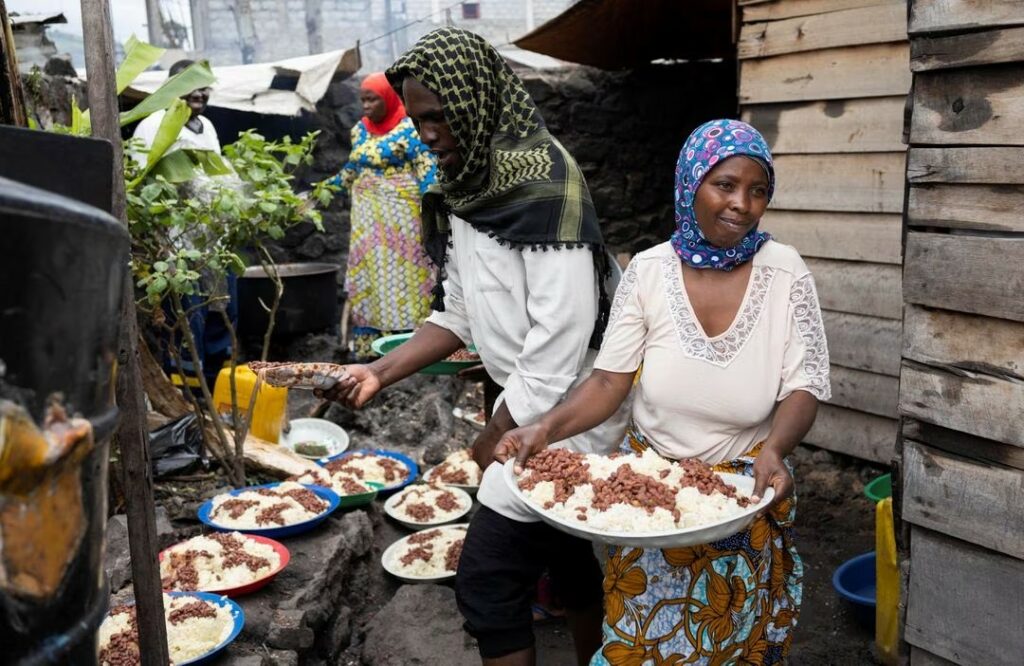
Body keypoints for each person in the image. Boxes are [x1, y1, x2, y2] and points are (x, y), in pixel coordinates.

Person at [320, 28, 628, 666]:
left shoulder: (546, 182)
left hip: (570, 406)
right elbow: (457, 312)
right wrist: (379, 371)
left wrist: (495, 434)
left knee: (487, 581)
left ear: (477, 100)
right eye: (419, 117)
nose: (427, 132)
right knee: (567, 555)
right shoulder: (465, 184)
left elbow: (562, 338)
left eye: (438, 117)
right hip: (527, 403)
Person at [494, 119, 831, 665]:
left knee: (726, 646)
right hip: (648, 500)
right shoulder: (649, 272)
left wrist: (776, 450)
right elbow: (609, 382)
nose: (742, 204)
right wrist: (544, 428)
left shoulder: (785, 272)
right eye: (725, 184)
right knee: (636, 647)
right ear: (690, 182)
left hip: (738, 499)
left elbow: (804, 384)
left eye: (758, 190)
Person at [132, 59, 233, 388]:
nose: (200, 93)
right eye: (192, 85)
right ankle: (189, 402)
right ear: (174, 87)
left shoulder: (208, 128)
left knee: (221, 315)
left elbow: (216, 177)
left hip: (212, 241)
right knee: (187, 321)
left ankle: (216, 392)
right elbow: (143, 183)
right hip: (176, 244)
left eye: (206, 86)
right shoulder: (153, 125)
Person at [328, 72, 438, 359]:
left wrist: (436, 214)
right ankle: (371, 349)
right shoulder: (359, 131)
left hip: (402, 221)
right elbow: (350, 172)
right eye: (362, 99)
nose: (365, 105)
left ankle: (410, 350)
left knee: (405, 279)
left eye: (372, 99)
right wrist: (318, 192)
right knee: (368, 277)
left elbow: (428, 173)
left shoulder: (410, 130)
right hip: (366, 223)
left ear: (388, 99)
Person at [133, 59, 220, 155]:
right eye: (188, 87)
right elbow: (142, 166)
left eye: (202, 87)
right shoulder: (152, 125)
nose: (197, 94)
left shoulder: (206, 125)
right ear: (171, 89)